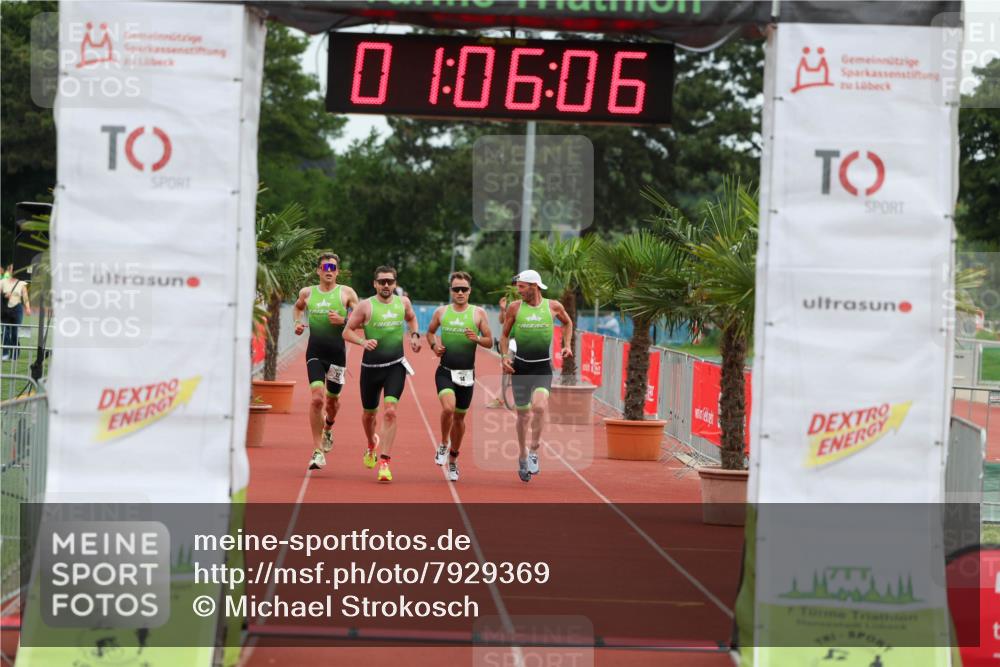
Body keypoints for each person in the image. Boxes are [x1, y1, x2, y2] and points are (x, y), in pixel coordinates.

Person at [343, 266, 421, 482]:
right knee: (369, 415)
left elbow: (412, 318)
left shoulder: (403, 302)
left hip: (395, 366)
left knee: (390, 412)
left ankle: (385, 462)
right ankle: (371, 444)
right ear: (375, 284)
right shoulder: (365, 306)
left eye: (390, 281)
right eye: (382, 282)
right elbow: (346, 331)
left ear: (395, 284)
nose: (386, 285)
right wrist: (363, 341)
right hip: (370, 369)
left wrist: (414, 335)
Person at [499, 269, 572, 482]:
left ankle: (534, 450)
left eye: (522, 286)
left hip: (541, 368)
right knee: (523, 416)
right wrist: (504, 357)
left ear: (534, 286)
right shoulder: (515, 308)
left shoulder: (553, 306)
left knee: (539, 407)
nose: (518, 290)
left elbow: (567, 323)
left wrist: (566, 345)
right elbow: (504, 336)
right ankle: (522, 454)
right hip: (520, 368)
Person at [293, 253, 359, 471]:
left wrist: (344, 320)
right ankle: (318, 450)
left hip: (337, 356)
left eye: (333, 267)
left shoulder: (346, 293)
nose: (329, 270)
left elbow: (362, 319)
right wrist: (298, 323)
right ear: (318, 271)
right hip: (315, 353)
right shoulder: (308, 292)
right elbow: (298, 307)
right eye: (325, 267)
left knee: (332, 402)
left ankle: (328, 427)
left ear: (337, 271)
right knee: (316, 400)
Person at [425, 271, 492, 482]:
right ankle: (444, 443)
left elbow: (490, 341)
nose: (460, 292)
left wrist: (477, 339)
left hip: (467, 374)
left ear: (470, 291)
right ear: (451, 291)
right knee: (448, 408)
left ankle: (453, 460)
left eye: (464, 289)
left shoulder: (478, 313)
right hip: (445, 371)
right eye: (456, 289)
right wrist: (435, 346)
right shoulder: (441, 312)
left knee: (460, 419)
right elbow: (430, 333)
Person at [1, 265, 31, 361]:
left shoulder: (21, 283)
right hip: (4, 309)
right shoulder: (2, 282)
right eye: (9, 269)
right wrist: (4, 295)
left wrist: (28, 308)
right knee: (5, 332)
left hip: (17, 309)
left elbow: (25, 297)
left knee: (14, 333)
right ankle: (5, 353)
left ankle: (14, 354)